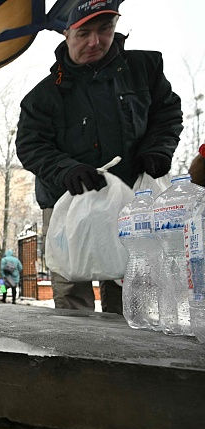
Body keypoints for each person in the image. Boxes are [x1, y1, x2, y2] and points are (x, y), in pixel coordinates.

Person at [16, 0, 182, 314]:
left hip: (130, 199)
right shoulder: (43, 96)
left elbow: (168, 113)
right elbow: (30, 145)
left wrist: (158, 149)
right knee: (71, 287)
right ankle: (75, 359)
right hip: (68, 200)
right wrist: (66, 169)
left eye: (104, 29)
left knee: (134, 288)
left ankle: (128, 357)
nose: (95, 41)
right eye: (84, 33)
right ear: (66, 34)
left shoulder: (144, 70)